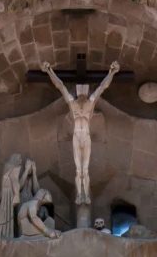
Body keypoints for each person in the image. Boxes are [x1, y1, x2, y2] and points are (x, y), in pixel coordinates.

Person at [42, 60, 120, 204]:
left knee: (85, 170)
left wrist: (112, 72)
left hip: (86, 137)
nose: (82, 95)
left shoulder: (91, 103)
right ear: (78, 93)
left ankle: (86, 195)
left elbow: (103, 87)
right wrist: (49, 71)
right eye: (80, 93)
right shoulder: (72, 104)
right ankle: (79, 195)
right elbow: (60, 86)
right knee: (79, 170)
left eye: (84, 92)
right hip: (77, 137)